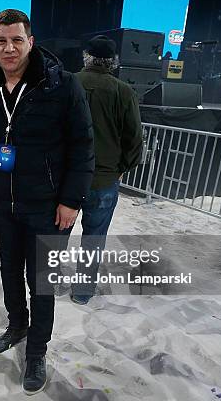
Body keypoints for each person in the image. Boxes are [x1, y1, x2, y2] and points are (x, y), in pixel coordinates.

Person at [0, 9, 94, 395]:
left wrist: (72, 200)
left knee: (42, 282)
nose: (8, 48)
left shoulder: (62, 84)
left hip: (49, 206)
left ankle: (37, 351)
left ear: (30, 40)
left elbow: (83, 146)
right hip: (5, 203)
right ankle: (17, 325)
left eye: (16, 40)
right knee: (10, 271)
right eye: (0, 41)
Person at [70, 35, 143, 305]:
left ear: (86, 56)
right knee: (94, 238)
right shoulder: (124, 91)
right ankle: (82, 292)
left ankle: (44, 282)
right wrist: (122, 168)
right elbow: (134, 138)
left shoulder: (68, 82)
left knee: (53, 234)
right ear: (113, 61)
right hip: (104, 180)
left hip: (67, 179)